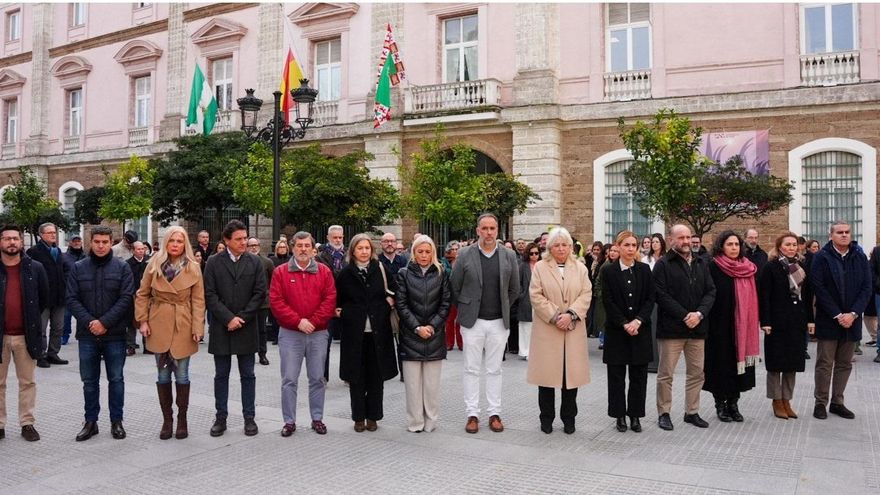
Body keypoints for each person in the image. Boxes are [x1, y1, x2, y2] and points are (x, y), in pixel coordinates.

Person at [451, 213, 519, 434]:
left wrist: (504, 307)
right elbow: (455, 286)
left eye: (493, 228)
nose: (489, 232)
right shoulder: (464, 255)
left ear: (497, 230)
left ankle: (494, 413)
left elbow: (515, 289)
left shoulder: (508, 255)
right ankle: (472, 414)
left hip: (499, 322)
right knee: (471, 369)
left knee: (494, 370)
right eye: (485, 228)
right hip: (473, 322)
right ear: (477, 230)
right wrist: (467, 307)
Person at [135, 226, 205, 440]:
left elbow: (198, 300)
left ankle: (182, 419)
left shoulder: (193, 267)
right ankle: (168, 420)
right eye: (172, 240)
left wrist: (197, 328)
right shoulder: (153, 264)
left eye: (180, 241)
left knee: (182, 374)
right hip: (159, 321)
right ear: (166, 242)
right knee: (162, 374)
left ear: (185, 244)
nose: (176, 244)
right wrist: (143, 321)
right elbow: (142, 294)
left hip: (183, 322)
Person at [67, 226, 135, 441]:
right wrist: (91, 323)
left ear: (110, 242)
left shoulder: (122, 267)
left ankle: (117, 421)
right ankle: (91, 421)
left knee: (116, 379)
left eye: (105, 242)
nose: (101, 245)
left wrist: (104, 322)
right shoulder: (78, 268)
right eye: (97, 241)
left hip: (114, 334)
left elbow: (126, 298)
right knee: (89, 381)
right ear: (91, 242)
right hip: (87, 335)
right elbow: (72, 299)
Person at [203, 220, 267, 437]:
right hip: (222, 328)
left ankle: (249, 418)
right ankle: (221, 417)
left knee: (248, 374)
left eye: (245, 238)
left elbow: (260, 293)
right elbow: (209, 294)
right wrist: (228, 318)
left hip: (247, 327)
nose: (244, 242)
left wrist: (241, 318)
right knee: (221, 374)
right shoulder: (213, 262)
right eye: (238, 239)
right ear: (226, 240)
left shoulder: (255, 262)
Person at [270, 231, 336, 436]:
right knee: (289, 379)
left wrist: (313, 322)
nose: (303, 249)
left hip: (318, 333)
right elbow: (276, 301)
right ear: (292, 248)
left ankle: (317, 419)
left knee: (317, 378)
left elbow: (330, 299)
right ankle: (289, 421)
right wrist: (298, 322)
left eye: (307, 245)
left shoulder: (324, 272)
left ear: (313, 248)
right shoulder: (280, 272)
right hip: (290, 333)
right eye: (299, 245)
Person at [527, 227, 591, 434]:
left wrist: (571, 314)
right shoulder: (540, 267)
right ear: (550, 247)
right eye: (557, 245)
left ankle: (569, 418)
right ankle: (546, 419)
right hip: (548, 329)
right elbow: (536, 296)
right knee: (547, 379)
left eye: (565, 245)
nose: (561, 248)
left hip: (572, 329)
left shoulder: (580, 268)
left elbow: (586, 294)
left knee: (570, 379)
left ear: (571, 247)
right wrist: (555, 316)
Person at [653, 224, 716, 431]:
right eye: (681, 238)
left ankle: (692, 411)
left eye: (689, 237)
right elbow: (661, 295)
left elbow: (710, 291)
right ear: (670, 240)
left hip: (697, 328)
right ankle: (664, 412)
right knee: (666, 374)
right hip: (672, 329)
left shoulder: (701, 262)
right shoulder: (663, 264)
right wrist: (684, 315)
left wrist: (699, 314)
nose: (686, 241)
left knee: (697, 373)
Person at [335, 234, 399, 432]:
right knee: (356, 377)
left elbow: (395, 291)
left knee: (375, 376)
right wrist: (344, 313)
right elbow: (338, 300)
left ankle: (373, 416)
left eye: (367, 248)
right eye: (360, 248)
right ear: (353, 251)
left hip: (378, 332)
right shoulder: (345, 273)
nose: (364, 252)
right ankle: (358, 417)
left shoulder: (380, 269)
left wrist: (389, 302)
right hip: (355, 333)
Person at [810, 220, 871, 420]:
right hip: (830, 319)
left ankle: (837, 402)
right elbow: (819, 288)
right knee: (825, 363)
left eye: (847, 232)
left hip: (851, 320)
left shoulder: (859, 257)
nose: (844, 235)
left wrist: (853, 314)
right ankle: (820, 402)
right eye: (839, 232)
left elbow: (866, 288)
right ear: (831, 235)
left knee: (845, 363)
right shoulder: (821, 257)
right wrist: (837, 314)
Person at [396, 235, 451, 432]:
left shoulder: (441, 273)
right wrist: (417, 327)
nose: (424, 255)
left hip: (434, 336)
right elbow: (401, 305)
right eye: (420, 251)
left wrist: (433, 326)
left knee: (431, 385)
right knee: (412, 385)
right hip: (411, 336)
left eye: (428, 252)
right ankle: (415, 422)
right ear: (414, 252)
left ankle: (431, 422)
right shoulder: (403, 273)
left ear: (433, 253)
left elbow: (445, 304)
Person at [600, 231, 654, 433]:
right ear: (618, 246)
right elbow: (608, 300)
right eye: (627, 245)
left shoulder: (644, 270)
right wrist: (624, 323)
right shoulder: (609, 271)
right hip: (617, 332)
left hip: (640, 331)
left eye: (634, 245)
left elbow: (650, 298)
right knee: (616, 376)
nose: (631, 249)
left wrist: (638, 321)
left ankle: (635, 415)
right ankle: (619, 415)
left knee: (639, 376)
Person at [0, 225, 48, 442]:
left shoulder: (34, 268)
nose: (12, 242)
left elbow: (43, 299)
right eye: (7, 238)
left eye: (15, 239)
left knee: (27, 382)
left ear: (22, 242)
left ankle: (27, 423)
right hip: (0, 336)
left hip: (25, 335)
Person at [704, 231, 758, 423]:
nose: (734, 248)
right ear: (721, 246)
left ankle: (734, 404)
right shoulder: (712, 266)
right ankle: (720, 404)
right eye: (730, 244)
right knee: (721, 365)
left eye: (736, 244)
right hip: (719, 326)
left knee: (738, 366)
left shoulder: (748, 267)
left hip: (743, 327)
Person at [759, 232, 814, 419]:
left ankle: (787, 400)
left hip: (796, 321)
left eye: (794, 244)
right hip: (776, 321)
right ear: (779, 246)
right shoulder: (771, 267)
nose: (791, 247)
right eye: (787, 244)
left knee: (792, 363)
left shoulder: (802, 266)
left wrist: (810, 319)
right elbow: (764, 296)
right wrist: (765, 321)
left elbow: (807, 296)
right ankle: (776, 401)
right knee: (776, 363)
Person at [26, 222, 69, 368]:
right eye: (49, 233)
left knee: (58, 327)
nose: (53, 235)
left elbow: (66, 271)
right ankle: (41, 355)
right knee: (41, 328)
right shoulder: (34, 252)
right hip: (42, 297)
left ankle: (53, 353)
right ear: (41, 235)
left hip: (59, 296)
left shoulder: (59, 252)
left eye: (54, 232)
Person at [247, 238, 274, 366]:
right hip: (246, 302)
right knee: (248, 330)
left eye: (255, 245)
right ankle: (248, 353)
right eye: (251, 245)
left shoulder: (267, 262)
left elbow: (273, 280)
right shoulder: (243, 261)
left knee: (262, 329)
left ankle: (262, 354)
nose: (253, 247)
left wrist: (268, 294)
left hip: (263, 302)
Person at [125, 241, 150, 356]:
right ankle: (131, 345)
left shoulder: (149, 262)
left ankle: (148, 346)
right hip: (133, 295)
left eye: (142, 249)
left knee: (147, 319)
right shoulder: (128, 264)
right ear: (133, 250)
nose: (141, 251)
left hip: (147, 295)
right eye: (138, 249)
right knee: (131, 321)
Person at [517, 242, 540, 359]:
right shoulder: (523, 266)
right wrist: (521, 294)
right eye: (532, 254)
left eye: (537, 253)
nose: (534, 256)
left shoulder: (542, 265)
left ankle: (536, 351)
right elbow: (518, 283)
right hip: (526, 299)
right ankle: (525, 351)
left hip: (540, 300)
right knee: (525, 326)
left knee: (538, 327)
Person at [594, 243, 619, 350]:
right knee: (604, 321)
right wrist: (600, 294)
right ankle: (603, 340)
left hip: (618, 300)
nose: (612, 253)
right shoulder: (605, 265)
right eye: (611, 251)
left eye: (615, 251)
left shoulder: (621, 265)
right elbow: (598, 282)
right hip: (604, 299)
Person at [62, 235, 85, 345]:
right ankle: (65, 335)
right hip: (68, 290)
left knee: (82, 314)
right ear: (70, 243)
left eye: (78, 241)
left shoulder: (86, 257)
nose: (76, 243)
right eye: (74, 241)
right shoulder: (64, 257)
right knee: (66, 315)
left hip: (83, 290)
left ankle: (81, 334)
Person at [442, 241, 462, 351]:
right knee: (449, 320)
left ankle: (461, 343)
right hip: (449, 293)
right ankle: (449, 343)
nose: (454, 251)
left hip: (460, 294)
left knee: (460, 320)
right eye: (452, 249)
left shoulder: (463, 261)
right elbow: (445, 274)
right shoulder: (445, 262)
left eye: (456, 249)